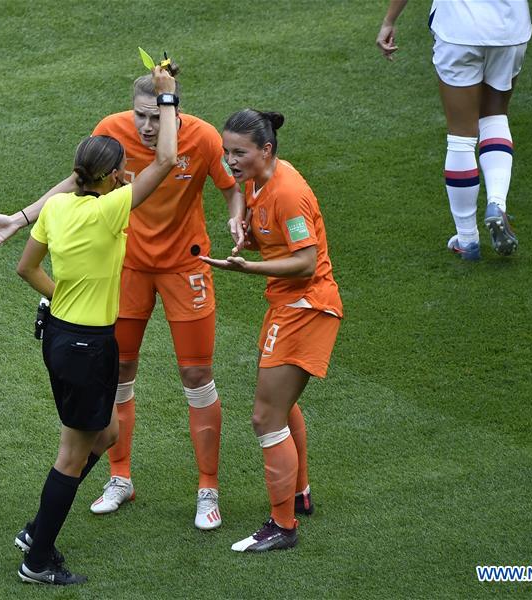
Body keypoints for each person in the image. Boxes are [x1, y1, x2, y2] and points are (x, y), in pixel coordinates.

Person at [0, 69, 318, 530]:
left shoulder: (203, 137)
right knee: (118, 371)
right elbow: (74, 182)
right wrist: (20, 218)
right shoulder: (110, 131)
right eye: (140, 115)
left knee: (197, 376)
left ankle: (208, 488)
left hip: (185, 267)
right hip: (129, 268)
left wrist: (235, 217)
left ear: (173, 111)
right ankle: (119, 478)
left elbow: (230, 187)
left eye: (157, 116)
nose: (147, 126)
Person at [13, 66, 178, 585]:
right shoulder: (111, 211)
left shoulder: (58, 207)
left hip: (63, 334)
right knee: (72, 454)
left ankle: (38, 528)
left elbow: (27, 268)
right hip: (86, 346)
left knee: (106, 433)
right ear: (111, 177)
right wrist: (167, 98)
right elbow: (167, 160)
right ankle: (37, 559)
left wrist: (64, 296)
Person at [200, 110, 343, 552]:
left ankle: (283, 526)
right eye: (226, 152)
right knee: (280, 406)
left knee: (265, 417)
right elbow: (264, 221)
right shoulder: (257, 179)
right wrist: (244, 228)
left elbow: (306, 261)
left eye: (238, 153)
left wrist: (249, 267)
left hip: (306, 307)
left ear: (266, 150)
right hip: (287, 305)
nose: (230, 161)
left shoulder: (289, 193)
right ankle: (299, 494)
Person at [376, 0, 532, 260]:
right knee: (495, 115)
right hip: (509, 30)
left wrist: (389, 20)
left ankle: (467, 240)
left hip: (459, 31)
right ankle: (496, 203)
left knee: (461, 136)